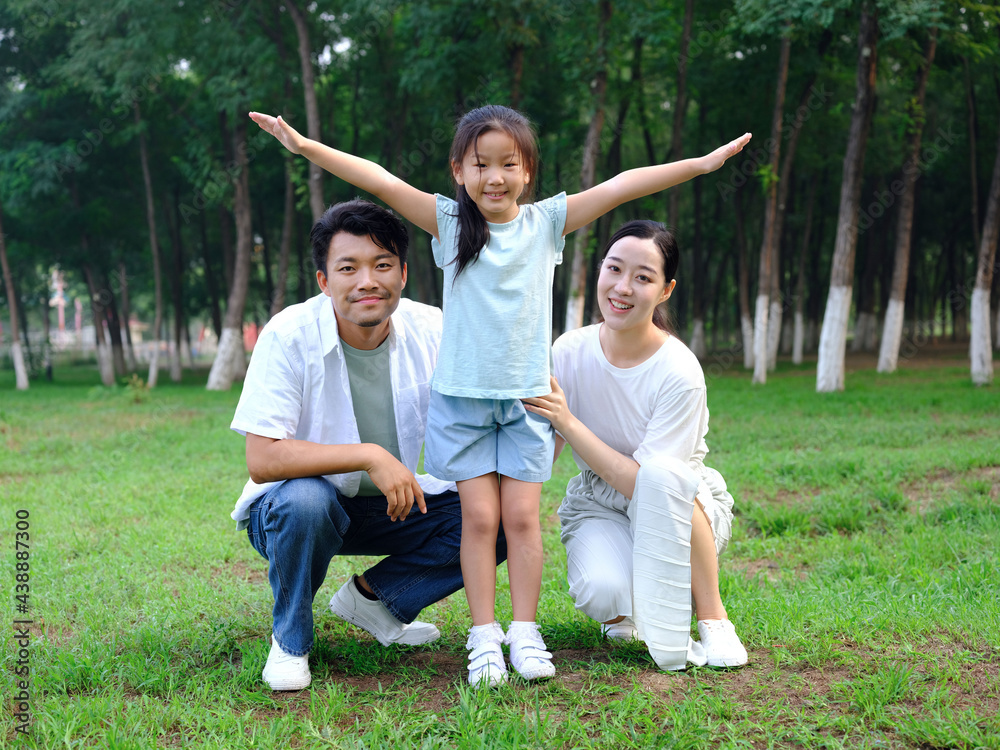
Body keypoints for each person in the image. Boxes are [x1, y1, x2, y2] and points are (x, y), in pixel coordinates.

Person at [249, 105, 750, 686]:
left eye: (508, 164)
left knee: (521, 520)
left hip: (526, 404)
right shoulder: (448, 223)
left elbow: (621, 186)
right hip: (463, 407)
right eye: (479, 164)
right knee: (479, 521)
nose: (494, 177)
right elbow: (379, 179)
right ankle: (483, 636)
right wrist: (306, 146)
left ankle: (524, 631)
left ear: (528, 171)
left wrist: (703, 163)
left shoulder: (545, 224)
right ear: (458, 170)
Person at [230, 199, 505, 691]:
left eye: (381, 265)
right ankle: (290, 642)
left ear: (402, 272)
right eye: (348, 268)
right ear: (323, 281)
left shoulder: (433, 329)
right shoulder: (289, 335)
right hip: (298, 511)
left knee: (499, 513)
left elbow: (487, 398)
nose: (366, 282)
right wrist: (369, 454)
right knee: (307, 500)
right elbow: (264, 457)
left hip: (397, 506)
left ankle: (375, 600)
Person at [523, 220, 749, 671]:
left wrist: (568, 422)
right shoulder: (568, 352)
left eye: (643, 277)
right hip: (600, 502)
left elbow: (650, 484)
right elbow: (538, 449)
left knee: (665, 479)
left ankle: (712, 619)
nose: (623, 287)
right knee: (602, 592)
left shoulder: (679, 371)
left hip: (680, 506)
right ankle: (631, 609)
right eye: (614, 269)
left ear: (665, 291)